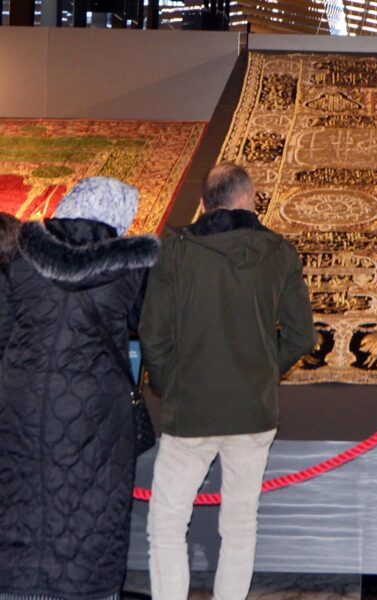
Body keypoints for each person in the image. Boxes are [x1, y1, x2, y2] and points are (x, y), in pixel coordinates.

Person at [139, 163, 315, 600]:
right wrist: (263, 371)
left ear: (204, 204)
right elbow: (302, 336)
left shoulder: (174, 253)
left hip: (191, 410)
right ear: (248, 200)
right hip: (253, 410)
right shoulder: (280, 253)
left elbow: (153, 337)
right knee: (239, 526)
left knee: (166, 524)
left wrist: (172, 382)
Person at [0, 178, 159, 600]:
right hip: (98, 409)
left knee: (18, 498)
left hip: (21, 399)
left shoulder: (19, 257)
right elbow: (152, 329)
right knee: (93, 509)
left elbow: (2, 332)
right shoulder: (131, 270)